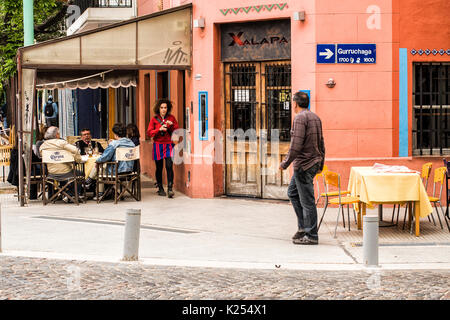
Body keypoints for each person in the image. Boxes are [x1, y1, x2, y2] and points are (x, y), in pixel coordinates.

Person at [279, 91, 325, 245]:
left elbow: (296, 145)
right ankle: (303, 227)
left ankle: (311, 235)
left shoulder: (299, 118)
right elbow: (321, 142)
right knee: (292, 193)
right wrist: (321, 163)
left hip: (304, 165)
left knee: (307, 201)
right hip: (312, 162)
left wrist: (285, 163)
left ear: (295, 104)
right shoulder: (315, 117)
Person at [39, 126, 83, 203]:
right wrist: (78, 160)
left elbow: (42, 156)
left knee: (73, 175)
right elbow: (76, 150)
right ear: (56, 135)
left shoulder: (43, 146)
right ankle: (70, 194)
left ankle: (63, 194)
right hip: (66, 172)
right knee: (80, 174)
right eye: (58, 133)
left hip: (51, 173)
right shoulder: (62, 143)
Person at [146, 99, 179, 198]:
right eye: (162, 108)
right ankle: (160, 188)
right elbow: (149, 133)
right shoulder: (154, 119)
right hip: (158, 145)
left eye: (165, 108)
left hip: (169, 145)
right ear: (158, 109)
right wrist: (158, 129)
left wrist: (171, 126)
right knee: (159, 167)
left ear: (168, 108)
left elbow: (177, 132)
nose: (163, 109)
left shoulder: (172, 118)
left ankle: (170, 188)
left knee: (169, 166)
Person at [93, 123, 135, 199]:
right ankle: (108, 191)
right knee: (101, 166)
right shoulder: (131, 143)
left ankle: (99, 193)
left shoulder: (114, 144)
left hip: (116, 171)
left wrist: (97, 161)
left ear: (115, 134)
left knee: (100, 168)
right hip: (129, 170)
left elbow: (105, 157)